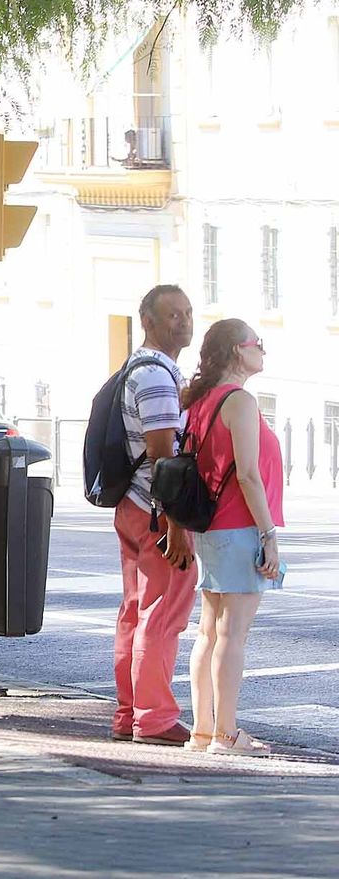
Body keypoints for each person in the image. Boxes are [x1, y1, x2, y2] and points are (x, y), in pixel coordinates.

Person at [182, 320, 284, 756]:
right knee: (232, 636)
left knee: (208, 633)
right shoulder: (239, 401)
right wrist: (269, 533)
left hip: (211, 529)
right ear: (235, 352)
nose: (263, 351)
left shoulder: (202, 401)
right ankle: (226, 734)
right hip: (239, 526)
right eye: (256, 345)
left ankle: (202, 731)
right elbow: (247, 474)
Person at [106, 285, 197, 745]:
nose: (183, 322)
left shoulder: (140, 370)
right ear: (148, 321)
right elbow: (165, 457)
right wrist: (175, 524)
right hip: (157, 513)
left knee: (136, 613)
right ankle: (155, 719)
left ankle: (129, 713)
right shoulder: (158, 377)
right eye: (172, 315)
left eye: (187, 313)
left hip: (132, 506)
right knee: (162, 615)